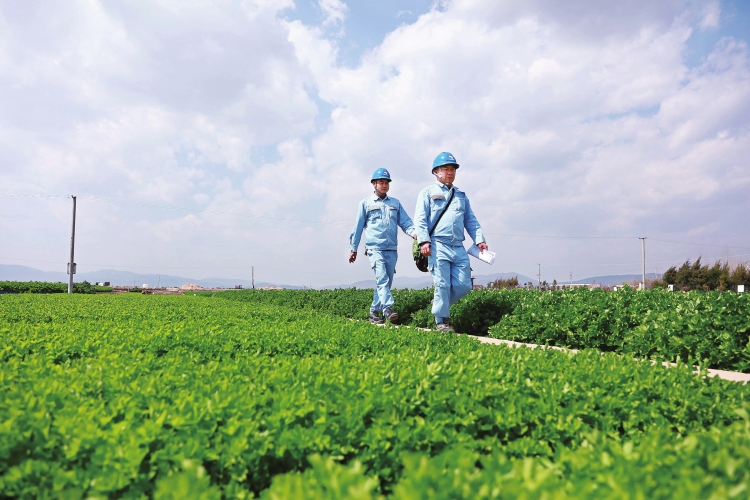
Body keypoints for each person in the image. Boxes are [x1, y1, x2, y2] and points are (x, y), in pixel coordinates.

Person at [414, 152, 488, 332]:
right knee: (442, 284)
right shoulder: (427, 193)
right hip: (437, 245)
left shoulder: (461, 195)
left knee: (464, 286)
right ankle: (442, 321)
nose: (450, 172)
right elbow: (420, 219)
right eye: (446, 169)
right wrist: (423, 241)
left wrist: (479, 240)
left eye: (452, 169)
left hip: (458, 246)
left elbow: (470, 220)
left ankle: (439, 302)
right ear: (435, 172)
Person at [349, 168, 417, 324]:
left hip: (392, 249)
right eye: (381, 182)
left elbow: (406, 222)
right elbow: (358, 228)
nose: (384, 185)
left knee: (385, 282)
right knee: (382, 279)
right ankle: (388, 309)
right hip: (375, 248)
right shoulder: (365, 204)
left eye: (386, 182)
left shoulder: (395, 203)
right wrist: (354, 249)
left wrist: (415, 234)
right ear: (374, 184)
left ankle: (374, 312)